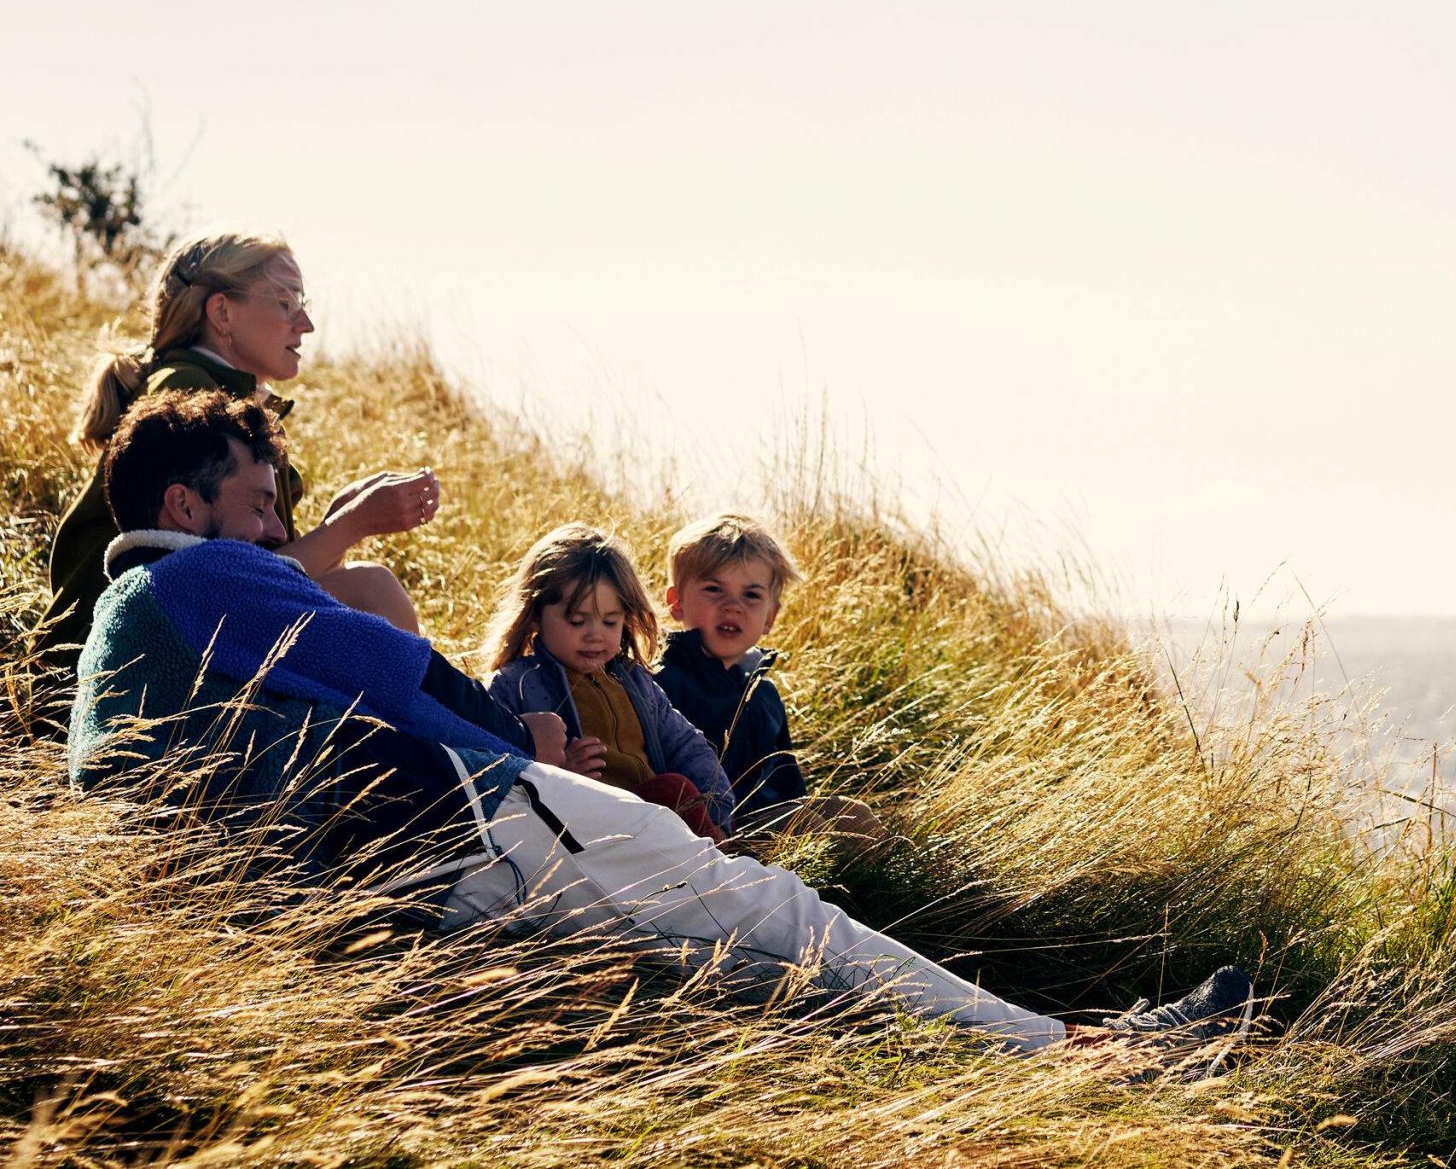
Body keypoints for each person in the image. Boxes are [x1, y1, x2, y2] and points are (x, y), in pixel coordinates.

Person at [68, 388, 1254, 1055]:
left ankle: (1019, 1056)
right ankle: (1076, 1053)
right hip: (462, 824)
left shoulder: (128, 633)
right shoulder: (197, 575)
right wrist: (513, 749)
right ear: (187, 505)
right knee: (771, 909)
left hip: (375, 874)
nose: (280, 533)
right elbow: (402, 672)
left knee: (718, 961)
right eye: (263, 506)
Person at [42, 230, 432, 675]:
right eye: (284, 302)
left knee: (361, 594)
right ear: (222, 312)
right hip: (117, 659)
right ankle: (442, 733)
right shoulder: (186, 397)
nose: (304, 324)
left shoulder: (233, 403)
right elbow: (223, 584)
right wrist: (351, 525)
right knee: (370, 592)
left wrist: (341, 522)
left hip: (169, 639)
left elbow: (263, 575)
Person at [482, 525, 736, 840]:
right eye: (577, 620)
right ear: (534, 615)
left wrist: (718, 811)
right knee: (671, 790)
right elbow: (493, 771)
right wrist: (562, 774)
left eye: (610, 621)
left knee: (672, 789)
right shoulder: (515, 684)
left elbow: (688, 746)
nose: (595, 634)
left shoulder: (635, 682)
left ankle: (719, 854)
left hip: (655, 818)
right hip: (583, 831)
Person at [652, 512, 827, 835]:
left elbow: (789, 785)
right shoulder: (661, 681)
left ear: (770, 616)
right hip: (710, 830)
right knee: (816, 827)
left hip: (769, 822)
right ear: (676, 603)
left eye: (751, 595)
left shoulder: (763, 693)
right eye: (714, 589)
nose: (733, 606)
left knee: (846, 815)